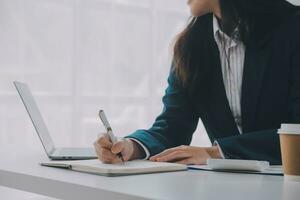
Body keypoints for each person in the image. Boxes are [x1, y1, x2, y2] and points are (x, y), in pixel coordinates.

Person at [94, 0, 300, 165]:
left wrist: (218, 152)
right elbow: (173, 126)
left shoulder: (293, 27)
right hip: (229, 190)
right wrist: (130, 147)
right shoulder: (190, 48)